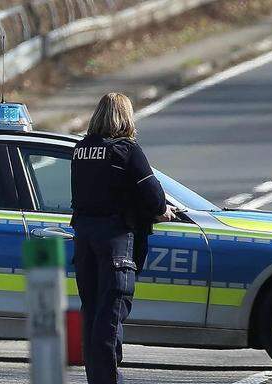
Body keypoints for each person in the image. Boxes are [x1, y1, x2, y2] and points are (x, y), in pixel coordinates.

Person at [71, 93, 177, 384]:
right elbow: (154, 196)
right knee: (110, 317)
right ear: (125, 117)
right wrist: (161, 211)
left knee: (93, 315)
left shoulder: (81, 150)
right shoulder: (127, 150)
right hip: (116, 241)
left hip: (85, 241)